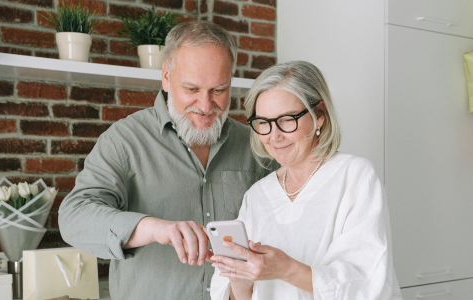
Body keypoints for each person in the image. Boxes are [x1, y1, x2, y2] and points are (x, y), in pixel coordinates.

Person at [58, 21, 277, 300]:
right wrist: (152, 228)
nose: (206, 106)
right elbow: (74, 217)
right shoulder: (124, 140)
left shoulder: (255, 145)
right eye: (192, 89)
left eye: (219, 90)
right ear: (165, 76)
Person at [210, 61, 403, 300]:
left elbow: (368, 282)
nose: (274, 136)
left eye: (288, 119)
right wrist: (239, 281)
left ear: (319, 115)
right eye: (263, 123)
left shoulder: (355, 176)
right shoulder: (258, 195)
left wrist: (286, 269)